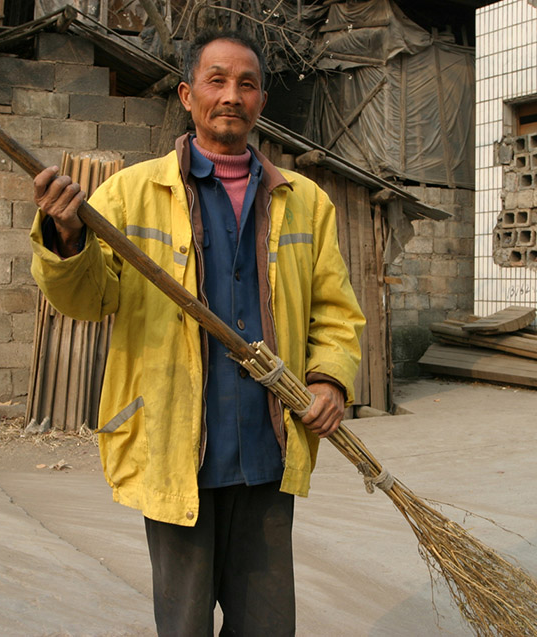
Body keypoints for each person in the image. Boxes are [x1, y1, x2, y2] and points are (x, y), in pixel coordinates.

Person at [31, 30, 365, 635]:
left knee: (266, 625)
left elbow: (335, 309)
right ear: (188, 95)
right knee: (183, 625)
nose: (231, 95)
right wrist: (67, 239)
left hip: (268, 449)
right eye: (216, 80)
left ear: (261, 100)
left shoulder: (306, 203)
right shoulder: (131, 195)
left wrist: (329, 381)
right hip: (175, 445)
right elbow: (87, 299)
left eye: (246, 83)